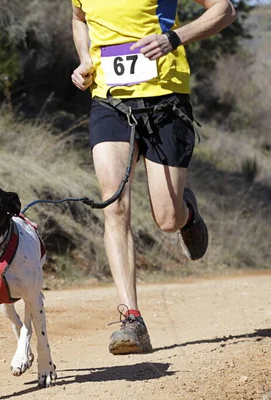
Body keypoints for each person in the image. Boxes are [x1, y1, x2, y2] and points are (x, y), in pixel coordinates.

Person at [70, 0, 236, 355]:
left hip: (166, 102)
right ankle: (132, 319)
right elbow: (78, 18)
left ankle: (186, 214)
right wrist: (85, 59)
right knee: (113, 206)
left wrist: (174, 38)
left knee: (166, 218)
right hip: (109, 102)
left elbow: (224, 9)